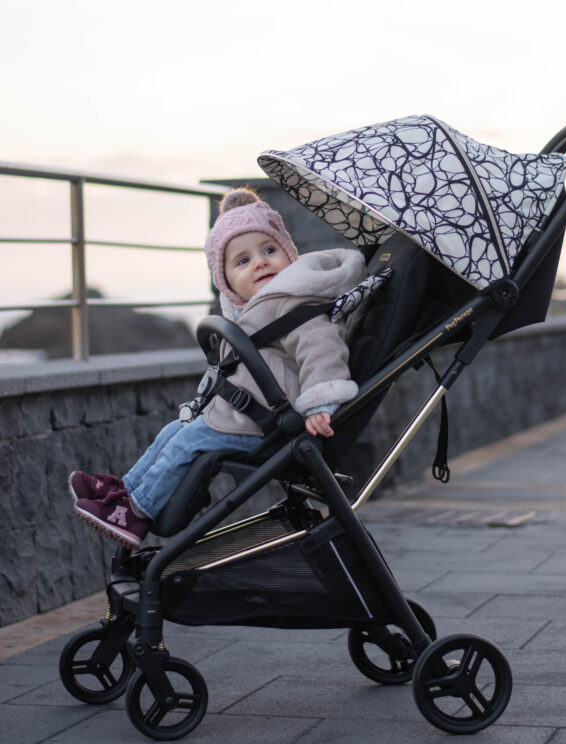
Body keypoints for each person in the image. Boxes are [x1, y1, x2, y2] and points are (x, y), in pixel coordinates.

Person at [70, 188, 365, 549]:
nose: (260, 262)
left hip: (269, 420)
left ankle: (137, 513)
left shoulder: (297, 302)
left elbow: (322, 348)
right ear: (226, 281)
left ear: (289, 255)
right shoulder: (259, 307)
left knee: (187, 445)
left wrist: (321, 401)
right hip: (245, 412)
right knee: (173, 432)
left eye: (269, 251)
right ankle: (124, 491)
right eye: (243, 261)